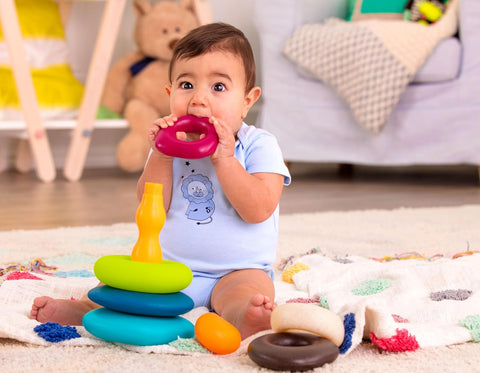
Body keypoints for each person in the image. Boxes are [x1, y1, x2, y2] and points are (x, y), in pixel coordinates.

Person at [30, 22, 291, 340]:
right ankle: (86, 309)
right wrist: (161, 155)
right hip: (172, 267)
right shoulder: (170, 146)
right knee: (123, 288)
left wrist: (224, 158)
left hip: (238, 269)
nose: (198, 100)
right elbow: (150, 204)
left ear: (248, 101)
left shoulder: (258, 144)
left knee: (248, 295)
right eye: (186, 85)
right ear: (169, 94)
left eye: (218, 88)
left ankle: (243, 317)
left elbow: (259, 208)